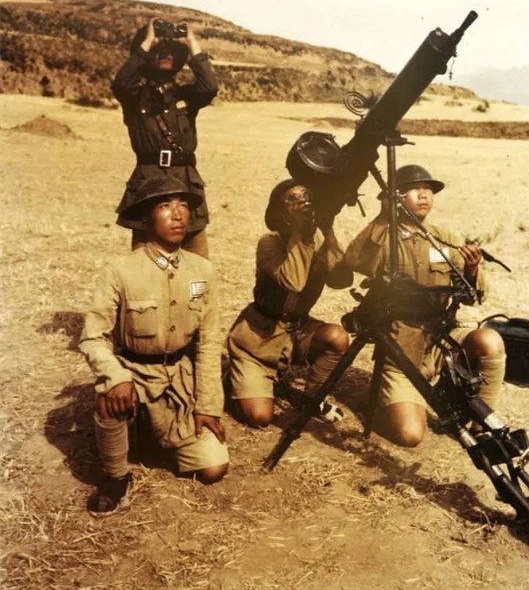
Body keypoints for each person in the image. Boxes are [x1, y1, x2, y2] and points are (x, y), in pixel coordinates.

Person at [79, 175, 229, 515]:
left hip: (179, 381)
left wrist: (207, 405)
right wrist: (116, 377)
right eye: (164, 206)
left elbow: (208, 343)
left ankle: (150, 434)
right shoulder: (119, 271)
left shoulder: (203, 270)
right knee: (109, 396)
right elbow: (93, 337)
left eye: (184, 206)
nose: (177, 215)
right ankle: (116, 477)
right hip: (133, 373)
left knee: (213, 468)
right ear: (146, 218)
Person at [344, 164, 505, 448]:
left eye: (428, 190)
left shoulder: (445, 239)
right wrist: (383, 217)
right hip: (401, 351)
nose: (423, 195)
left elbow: (475, 296)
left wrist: (471, 270)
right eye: (414, 189)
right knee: (410, 435)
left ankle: (481, 426)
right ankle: (379, 407)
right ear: (396, 197)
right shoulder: (385, 238)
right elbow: (354, 261)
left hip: (441, 343)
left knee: (490, 341)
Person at [227, 179, 353, 427]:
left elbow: (341, 280)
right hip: (258, 341)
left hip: (296, 330)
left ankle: (312, 400)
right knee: (261, 417)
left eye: (306, 197)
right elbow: (293, 281)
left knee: (337, 337)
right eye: (291, 200)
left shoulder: (316, 239)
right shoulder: (269, 243)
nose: (301, 203)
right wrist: (298, 233)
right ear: (280, 213)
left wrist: (327, 228)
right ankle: (232, 379)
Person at [112, 18, 218, 258]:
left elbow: (209, 87)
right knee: (145, 264)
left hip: (185, 182)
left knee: (197, 264)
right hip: (150, 180)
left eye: (173, 52)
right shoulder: (134, 96)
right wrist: (149, 40)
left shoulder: (186, 95)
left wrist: (190, 41)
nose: (168, 55)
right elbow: (121, 84)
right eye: (161, 50)